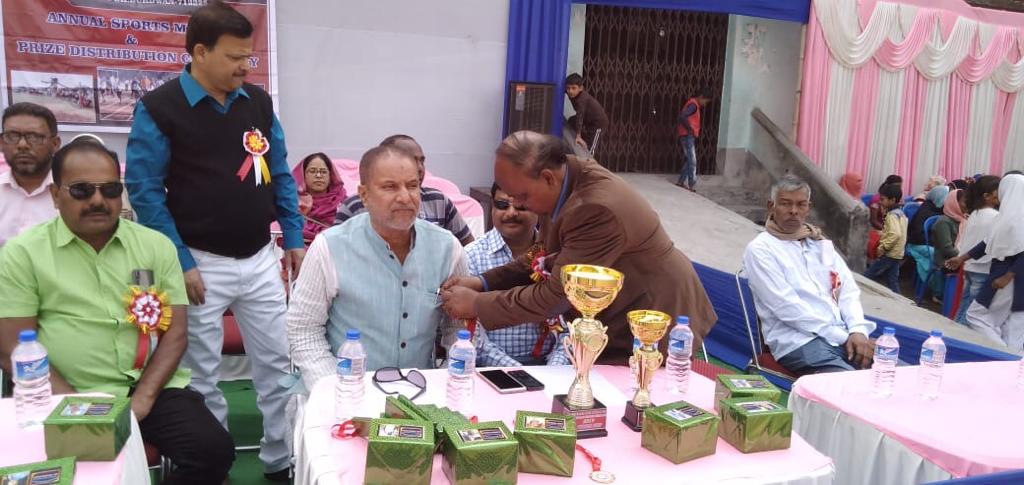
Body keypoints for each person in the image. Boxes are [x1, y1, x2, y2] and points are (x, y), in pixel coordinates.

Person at [123, 3, 300, 480]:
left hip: (261, 258)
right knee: (201, 375)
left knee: (278, 366)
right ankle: (214, 464)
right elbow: (144, 191)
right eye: (235, 57)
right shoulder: (159, 109)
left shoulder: (256, 102)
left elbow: (280, 172)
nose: (245, 67)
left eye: (249, 57)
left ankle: (281, 458)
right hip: (198, 265)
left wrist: (294, 236)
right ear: (200, 52)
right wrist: (180, 261)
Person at [0, 138, 234, 485]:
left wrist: (141, 402)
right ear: (55, 195)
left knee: (213, 453)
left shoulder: (155, 246)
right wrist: (82, 412)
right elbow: (13, 347)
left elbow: (176, 332)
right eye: (81, 190)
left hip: (148, 389)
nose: (98, 200)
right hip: (66, 394)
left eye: (110, 190)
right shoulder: (24, 253)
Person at [440, 131, 717, 365]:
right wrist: (483, 282)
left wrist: (476, 304)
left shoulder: (594, 208)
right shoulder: (563, 183)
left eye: (521, 197)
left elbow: (557, 296)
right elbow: (541, 258)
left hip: (652, 318)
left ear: (547, 178)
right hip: (615, 315)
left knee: (636, 397)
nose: (517, 206)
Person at [287, 145, 466, 389]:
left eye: (412, 185)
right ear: (364, 195)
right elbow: (303, 329)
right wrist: (335, 387)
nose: (405, 197)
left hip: (420, 392)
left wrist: (445, 384)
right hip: (346, 390)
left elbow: (459, 329)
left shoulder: (447, 248)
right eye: (390, 187)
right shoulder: (330, 247)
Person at [743, 175, 876, 374]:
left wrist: (858, 331)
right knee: (851, 384)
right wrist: (843, 337)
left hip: (841, 335)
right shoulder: (761, 249)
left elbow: (847, 291)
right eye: (785, 204)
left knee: (897, 372)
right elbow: (787, 308)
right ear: (771, 206)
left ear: (808, 207)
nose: (793, 211)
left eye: (801, 204)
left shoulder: (819, 243)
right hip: (798, 342)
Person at [466, 184, 568, 366]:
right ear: (492, 207)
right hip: (490, 370)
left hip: (553, 369)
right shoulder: (471, 256)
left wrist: (553, 370)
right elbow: (475, 340)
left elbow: (569, 329)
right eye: (502, 205)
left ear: (538, 209)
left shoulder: (557, 255)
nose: (511, 213)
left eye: (520, 206)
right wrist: (520, 374)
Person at [335, 134, 474, 246]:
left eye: (421, 161)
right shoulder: (354, 206)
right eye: (411, 160)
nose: (419, 168)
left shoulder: (438, 201)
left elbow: (469, 247)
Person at [946, 174, 1024, 350]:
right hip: (1009, 277)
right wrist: (961, 258)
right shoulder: (1006, 217)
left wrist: (1008, 276)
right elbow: (986, 243)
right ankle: (1012, 359)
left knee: (976, 316)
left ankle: (1006, 355)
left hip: (1009, 278)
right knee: (1012, 326)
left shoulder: (1013, 219)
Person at [0, 102, 61, 246]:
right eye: (12, 136)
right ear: (1, 143)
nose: (22, 145)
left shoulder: (74, 194)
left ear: (55, 144)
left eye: (34, 137)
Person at [955, 175, 1001, 324]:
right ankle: (961, 332)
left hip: (969, 265)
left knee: (964, 303)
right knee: (972, 309)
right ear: (987, 196)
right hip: (983, 268)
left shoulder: (975, 213)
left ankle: (955, 327)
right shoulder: (996, 216)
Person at [863, 183, 907, 293]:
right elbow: (898, 233)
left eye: (883, 199)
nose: (880, 202)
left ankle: (856, 294)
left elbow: (896, 234)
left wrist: (883, 247)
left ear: (892, 200)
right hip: (897, 253)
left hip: (889, 253)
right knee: (892, 281)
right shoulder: (901, 214)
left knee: (867, 275)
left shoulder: (892, 215)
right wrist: (884, 234)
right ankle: (899, 300)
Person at [293, 152, 346, 244]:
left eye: (323, 172)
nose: (318, 175)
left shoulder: (343, 203)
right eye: (312, 171)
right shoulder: (293, 204)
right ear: (303, 175)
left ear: (330, 175)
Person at [906, 186, 949, 292]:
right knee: (938, 255)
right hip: (916, 244)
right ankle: (936, 290)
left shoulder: (938, 210)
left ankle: (940, 290)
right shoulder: (926, 211)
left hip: (928, 243)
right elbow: (918, 234)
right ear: (938, 197)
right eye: (945, 198)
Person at [675, 90, 712, 192]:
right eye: (705, 101)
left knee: (689, 159)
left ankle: (681, 181)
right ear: (701, 96)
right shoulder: (693, 105)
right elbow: (682, 116)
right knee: (692, 160)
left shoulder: (693, 104)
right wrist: (690, 129)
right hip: (688, 136)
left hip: (686, 135)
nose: (705, 104)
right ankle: (692, 184)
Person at [565, 73, 609, 153]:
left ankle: (589, 157)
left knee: (591, 147)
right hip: (588, 119)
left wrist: (578, 136)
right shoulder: (572, 93)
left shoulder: (582, 99)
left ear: (581, 88)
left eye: (574, 88)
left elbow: (580, 116)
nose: (570, 91)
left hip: (598, 123)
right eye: (568, 88)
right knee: (571, 121)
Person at [930, 188, 967, 275]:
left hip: (959, 257)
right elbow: (947, 250)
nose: (967, 205)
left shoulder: (963, 220)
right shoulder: (943, 222)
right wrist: (967, 257)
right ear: (954, 203)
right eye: (964, 202)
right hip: (946, 260)